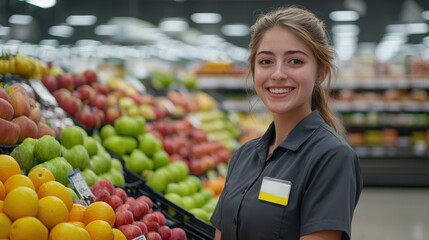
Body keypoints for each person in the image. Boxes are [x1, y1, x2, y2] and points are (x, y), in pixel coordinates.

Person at [210, 6, 363, 240]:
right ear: (253, 70)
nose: (278, 73)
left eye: (295, 61)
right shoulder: (243, 156)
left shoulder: (332, 157)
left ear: (321, 73)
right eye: (266, 61)